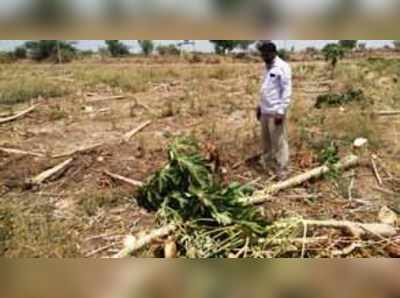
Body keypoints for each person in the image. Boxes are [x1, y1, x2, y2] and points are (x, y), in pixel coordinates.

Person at [256, 41, 292, 180]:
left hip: (276, 111)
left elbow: (286, 90)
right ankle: (268, 166)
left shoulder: (283, 67)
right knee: (266, 141)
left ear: (272, 53)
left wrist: (281, 111)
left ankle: (282, 170)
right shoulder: (265, 67)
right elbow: (265, 88)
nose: (262, 57)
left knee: (279, 142)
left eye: (265, 54)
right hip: (265, 110)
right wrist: (259, 106)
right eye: (261, 54)